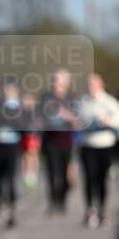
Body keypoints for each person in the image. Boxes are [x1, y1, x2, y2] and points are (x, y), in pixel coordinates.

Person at [77, 73, 119, 227]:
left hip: (105, 145)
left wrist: (108, 121)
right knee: (89, 178)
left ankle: (102, 210)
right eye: (88, 84)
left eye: (93, 84)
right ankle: (90, 210)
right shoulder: (82, 101)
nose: (90, 87)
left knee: (102, 179)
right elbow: (75, 119)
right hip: (87, 145)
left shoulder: (108, 101)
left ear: (101, 85)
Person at [0, 79, 29, 228]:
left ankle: (12, 209)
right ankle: (1, 205)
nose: (8, 92)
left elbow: (24, 127)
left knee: (11, 179)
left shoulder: (20, 109)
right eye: (6, 89)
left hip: (13, 148)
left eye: (11, 89)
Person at [39, 68, 79, 214]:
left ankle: (62, 200)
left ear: (67, 83)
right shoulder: (46, 98)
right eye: (55, 80)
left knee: (65, 175)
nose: (56, 83)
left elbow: (78, 119)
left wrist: (65, 115)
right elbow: (39, 117)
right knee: (51, 173)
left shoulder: (72, 98)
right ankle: (52, 201)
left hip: (66, 141)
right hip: (50, 141)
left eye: (60, 80)